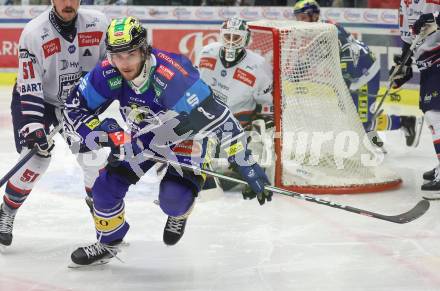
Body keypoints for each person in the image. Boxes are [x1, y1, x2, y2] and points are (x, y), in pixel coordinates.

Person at [64, 16, 272, 266]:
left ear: (143, 49)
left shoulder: (174, 76)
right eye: (116, 55)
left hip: (188, 132)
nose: (123, 63)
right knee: (104, 191)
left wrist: (244, 161)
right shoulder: (108, 71)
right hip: (145, 134)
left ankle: (180, 212)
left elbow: (219, 117)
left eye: (130, 54)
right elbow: (74, 106)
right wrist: (99, 130)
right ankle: (109, 243)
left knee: (173, 200)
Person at [0, 0, 109, 248]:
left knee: (95, 160)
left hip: (77, 105)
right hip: (39, 100)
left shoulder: (98, 23)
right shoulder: (33, 33)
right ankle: (7, 210)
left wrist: (95, 100)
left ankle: (105, 219)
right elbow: (30, 85)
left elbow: (110, 68)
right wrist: (35, 127)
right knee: (37, 159)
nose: (68, 3)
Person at [293, 0, 423, 148]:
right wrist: (296, 73)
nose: (300, 22)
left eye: (303, 17)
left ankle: (404, 122)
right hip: (354, 73)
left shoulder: (328, 28)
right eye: (298, 18)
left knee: (360, 121)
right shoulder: (316, 31)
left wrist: (346, 77)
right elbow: (312, 57)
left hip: (363, 72)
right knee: (352, 114)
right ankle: (377, 134)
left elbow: (349, 50)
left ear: (313, 15)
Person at [197, 17, 274, 188]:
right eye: (227, 36)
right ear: (221, 36)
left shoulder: (259, 66)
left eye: (236, 37)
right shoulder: (206, 53)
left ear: (246, 39)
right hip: (205, 124)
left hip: (236, 130)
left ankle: (233, 170)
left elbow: (268, 105)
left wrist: (265, 126)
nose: (231, 42)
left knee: (255, 155)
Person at [394, 1, 440, 193]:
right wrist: (404, 65)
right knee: (432, 115)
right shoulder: (405, 3)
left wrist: (436, 19)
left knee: (435, 115)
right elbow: (408, 38)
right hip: (427, 63)